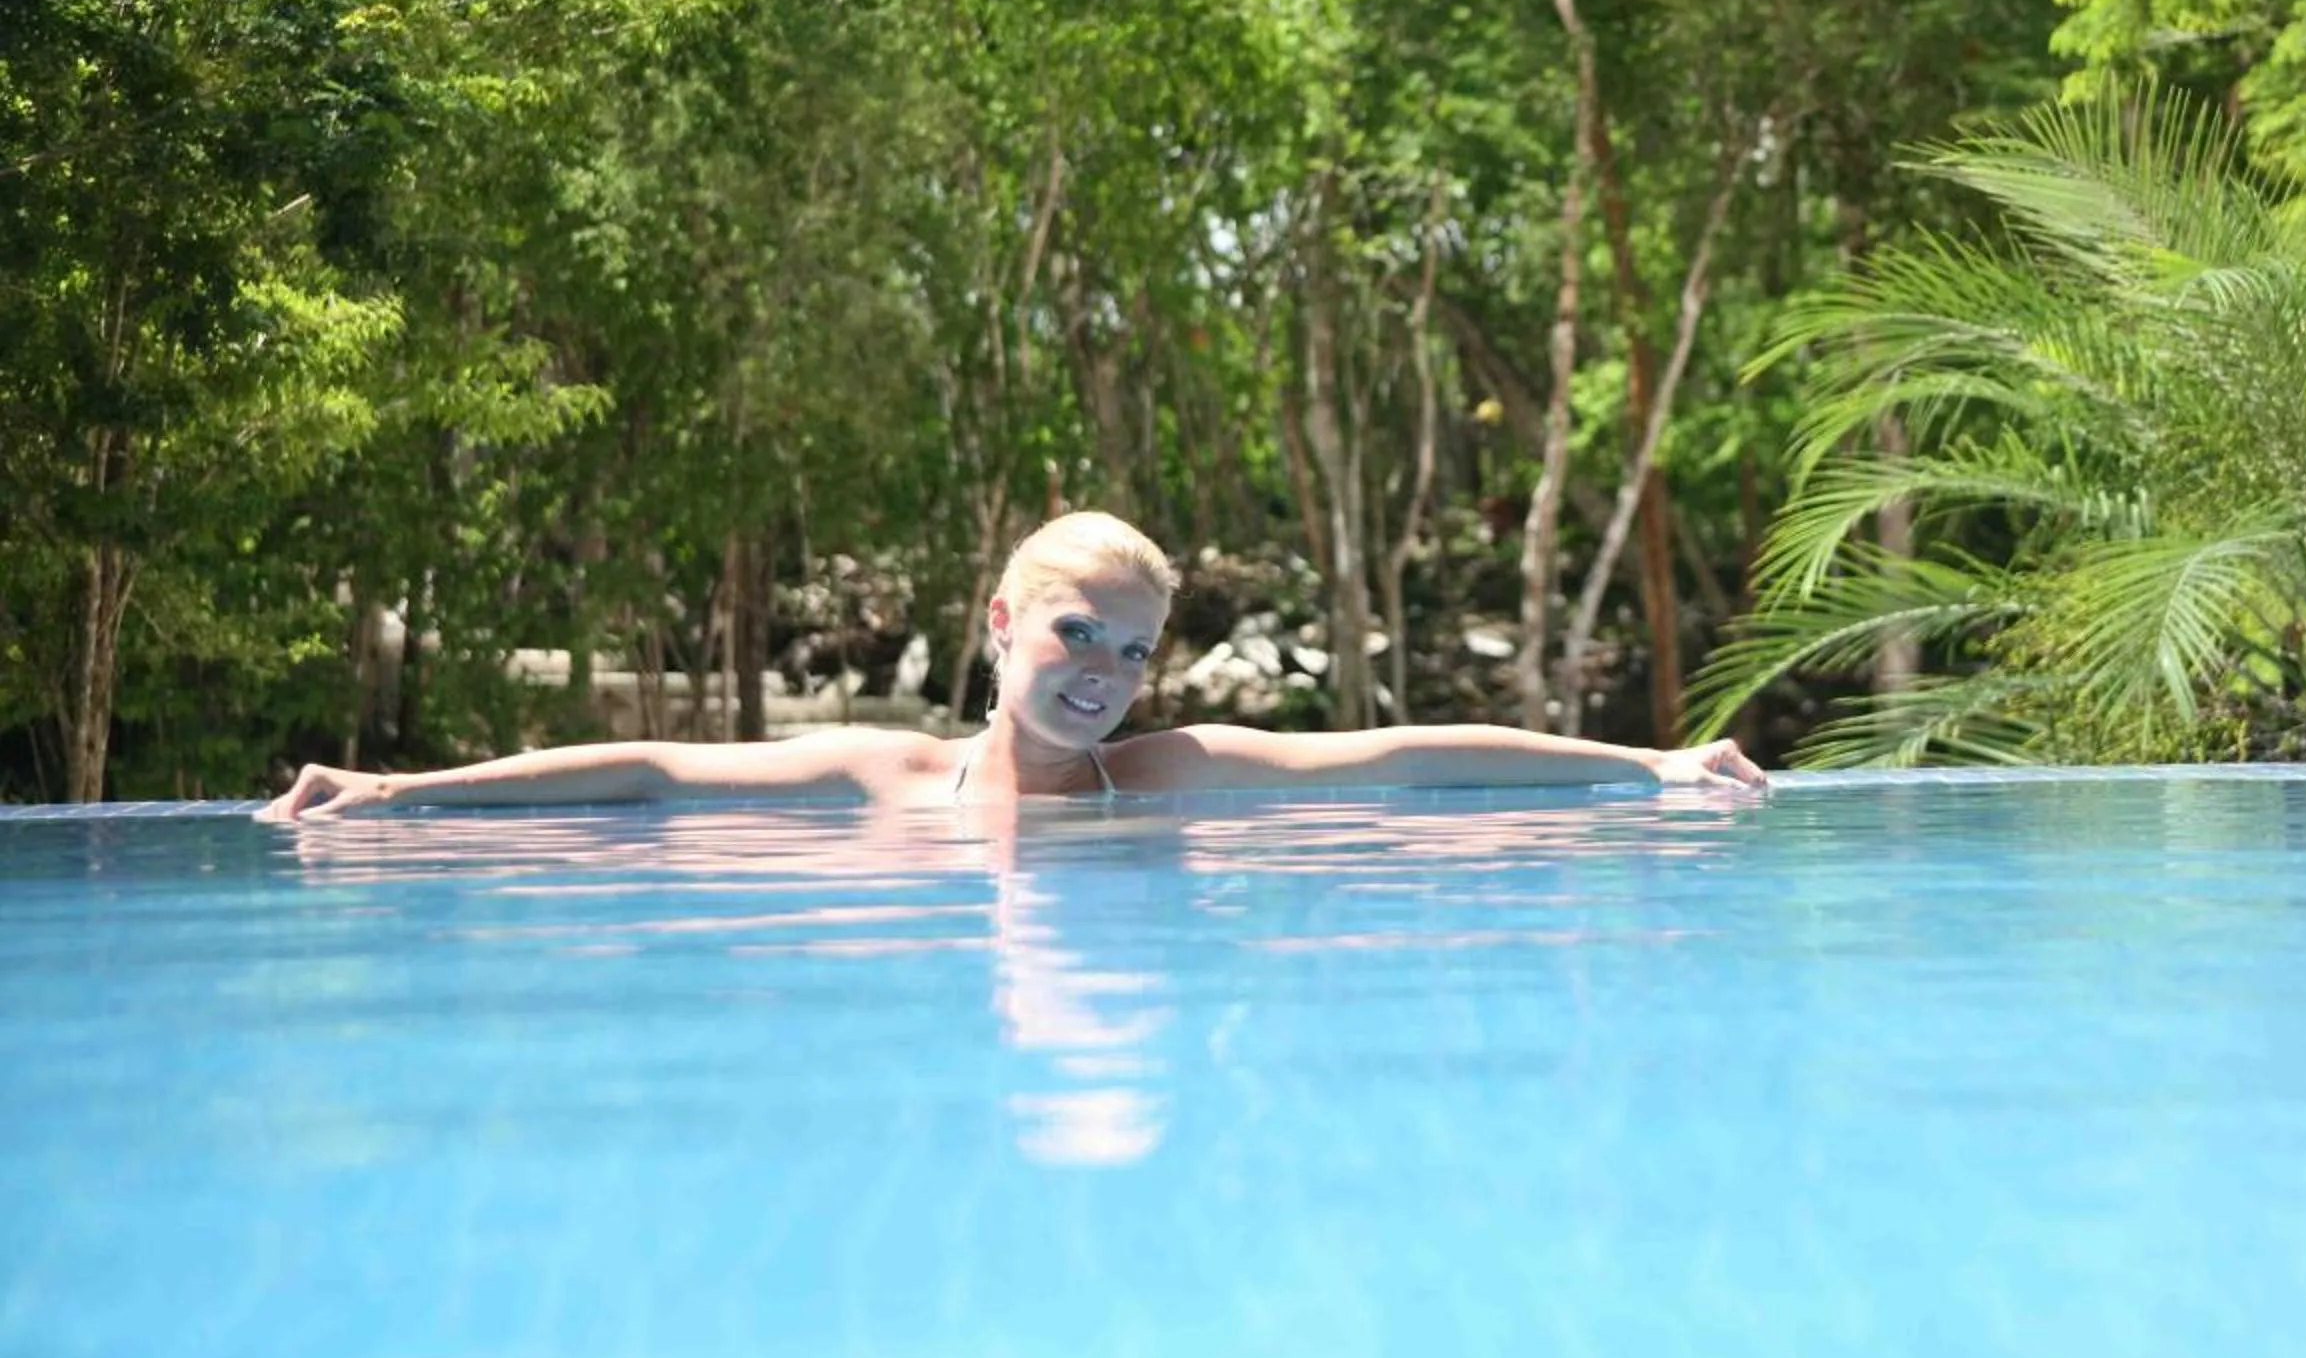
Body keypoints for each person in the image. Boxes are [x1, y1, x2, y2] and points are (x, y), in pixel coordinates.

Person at [262, 510, 1768, 818]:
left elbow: (1412, 757)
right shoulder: (886, 779)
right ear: (1000, 625)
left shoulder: (1167, 774)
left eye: (1133, 648)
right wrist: (398, 796)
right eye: (1075, 633)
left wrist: (1648, 763)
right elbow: (651, 773)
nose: (1104, 669)